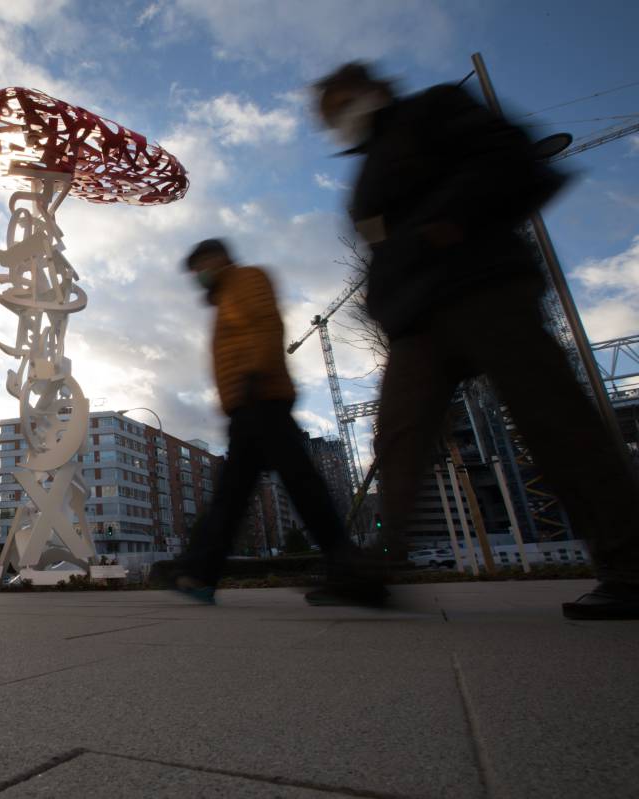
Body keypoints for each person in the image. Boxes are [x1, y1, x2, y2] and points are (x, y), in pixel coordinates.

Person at [314, 62, 639, 620]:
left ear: (369, 89)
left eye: (338, 102)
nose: (335, 119)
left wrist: (446, 221)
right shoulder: (366, 171)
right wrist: (381, 303)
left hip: (484, 287)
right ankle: (381, 565)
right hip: (416, 322)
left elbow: (510, 158)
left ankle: (630, 563)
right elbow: (379, 249)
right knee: (399, 439)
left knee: (554, 420)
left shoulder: (435, 108)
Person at [175, 238, 385, 606]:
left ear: (218, 258)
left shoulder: (246, 280)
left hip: (260, 397)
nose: (198, 275)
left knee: (281, 488)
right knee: (247, 492)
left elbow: (264, 324)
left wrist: (255, 375)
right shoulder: (224, 298)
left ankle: (202, 574)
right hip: (248, 403)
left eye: (200, 266)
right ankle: (202, 574)